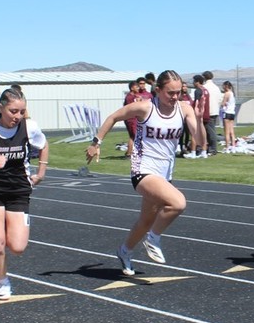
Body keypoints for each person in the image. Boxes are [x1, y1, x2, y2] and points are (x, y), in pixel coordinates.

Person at [86, 70, 203, 275]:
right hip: (143, 169)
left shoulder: (184, 109)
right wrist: (97, 142)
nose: (175, 97)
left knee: (145, 220)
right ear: (158, 90)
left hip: (165, 172)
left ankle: (124, 251)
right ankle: (153, 238)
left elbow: (200, 141)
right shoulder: (145, 107)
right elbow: (114, 117)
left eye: (178, 93)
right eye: (170, 93)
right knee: (178, 203)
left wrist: (199, 119)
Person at [0, 88, 48, 300]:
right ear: (1, 108)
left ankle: (7, 225)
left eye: (21, 111)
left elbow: (44, 144)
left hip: (18, 191)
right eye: (13, 111)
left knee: (18, 247)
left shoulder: (29, 127)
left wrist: (41, 172)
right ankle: (2, 280)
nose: (18, 116)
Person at [191, 74, 213, 158]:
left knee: (194, 132)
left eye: (194, 81)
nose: (193, 83)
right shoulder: (206, 90)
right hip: (206, 113)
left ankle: (193, 152)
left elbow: (196, 103)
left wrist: (194, 112)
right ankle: (204, 152)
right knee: (204, 133)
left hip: (199, 114)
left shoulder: (198, 90)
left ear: (197, 82)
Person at [202, 71, 220, 153]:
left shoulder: (205, 87)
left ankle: (213, 148)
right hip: (215, 111)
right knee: (211, 130)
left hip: (208, 112)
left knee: (210, 131)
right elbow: (220, 99)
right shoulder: (216, 87)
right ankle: (210, 147)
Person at [220, 80, 237, 151]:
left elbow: (223, 103)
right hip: (232, 113)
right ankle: (233, 146)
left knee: (226, 132)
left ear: (226, 86)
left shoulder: (227, 94)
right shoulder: (232, 93)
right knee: (231, 131)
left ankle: (227, 147)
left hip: (226, 113)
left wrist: (221, 104)